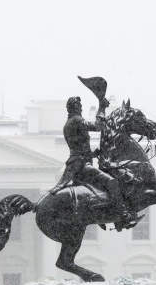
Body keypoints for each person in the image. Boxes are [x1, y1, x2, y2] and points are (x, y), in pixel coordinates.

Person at [49, 95, 130, 223]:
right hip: (81, 166)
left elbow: (77, 147)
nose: (81, 109)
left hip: (76, 164)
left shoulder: (68, 124)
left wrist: (93, 154)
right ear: (75, 107)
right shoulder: (77, 120)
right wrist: (101, 107)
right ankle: (122, 214)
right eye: (80, 106)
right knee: (111, 182)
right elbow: (99, 126)